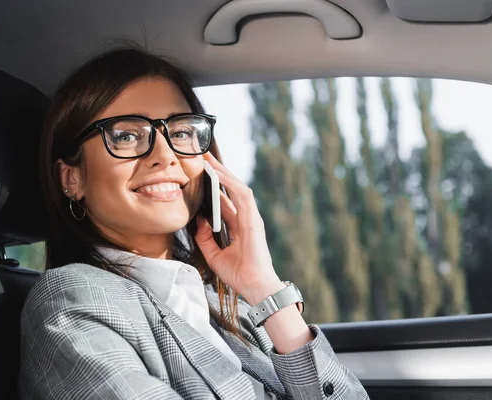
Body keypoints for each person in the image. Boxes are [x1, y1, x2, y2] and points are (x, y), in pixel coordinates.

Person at [18, 45, 369, 400]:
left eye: (182, 132)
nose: (166, 155)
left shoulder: (225, 303)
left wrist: (264, 288)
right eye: (126, 135)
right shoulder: (73, 299)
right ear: (71, 178)